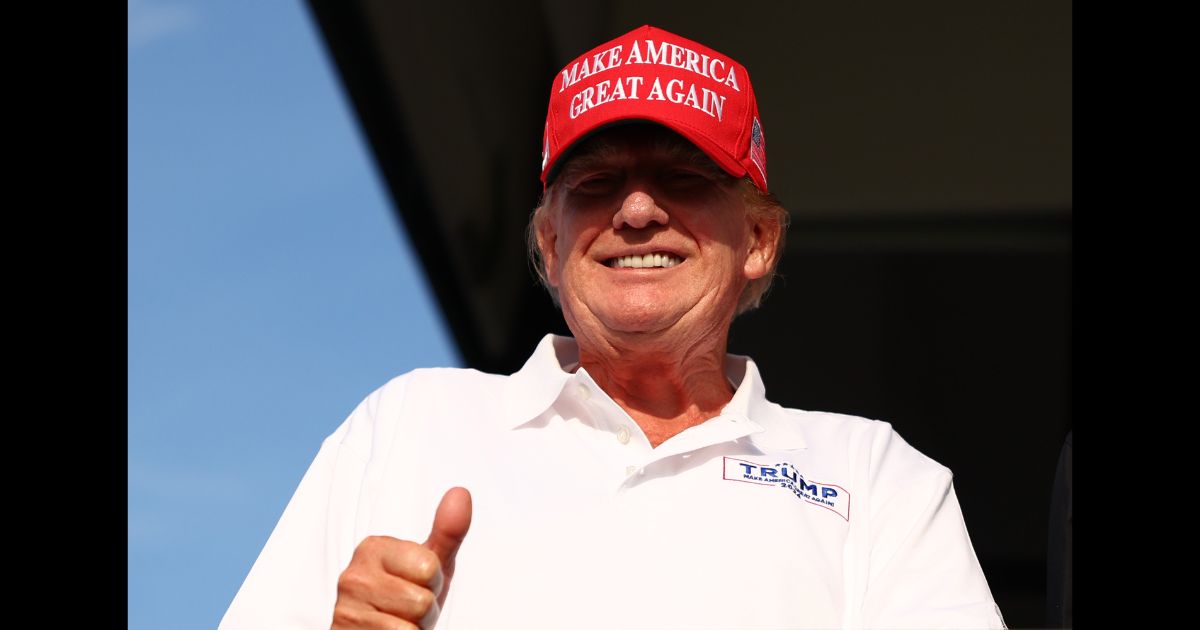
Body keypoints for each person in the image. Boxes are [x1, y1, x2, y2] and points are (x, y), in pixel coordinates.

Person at [221, 24, 1007, 630]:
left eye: (682, 177)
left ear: (759, 241)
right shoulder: (405, 426)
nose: (636, 210)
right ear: (551, 244)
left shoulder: (876, 478)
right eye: (596, 183)